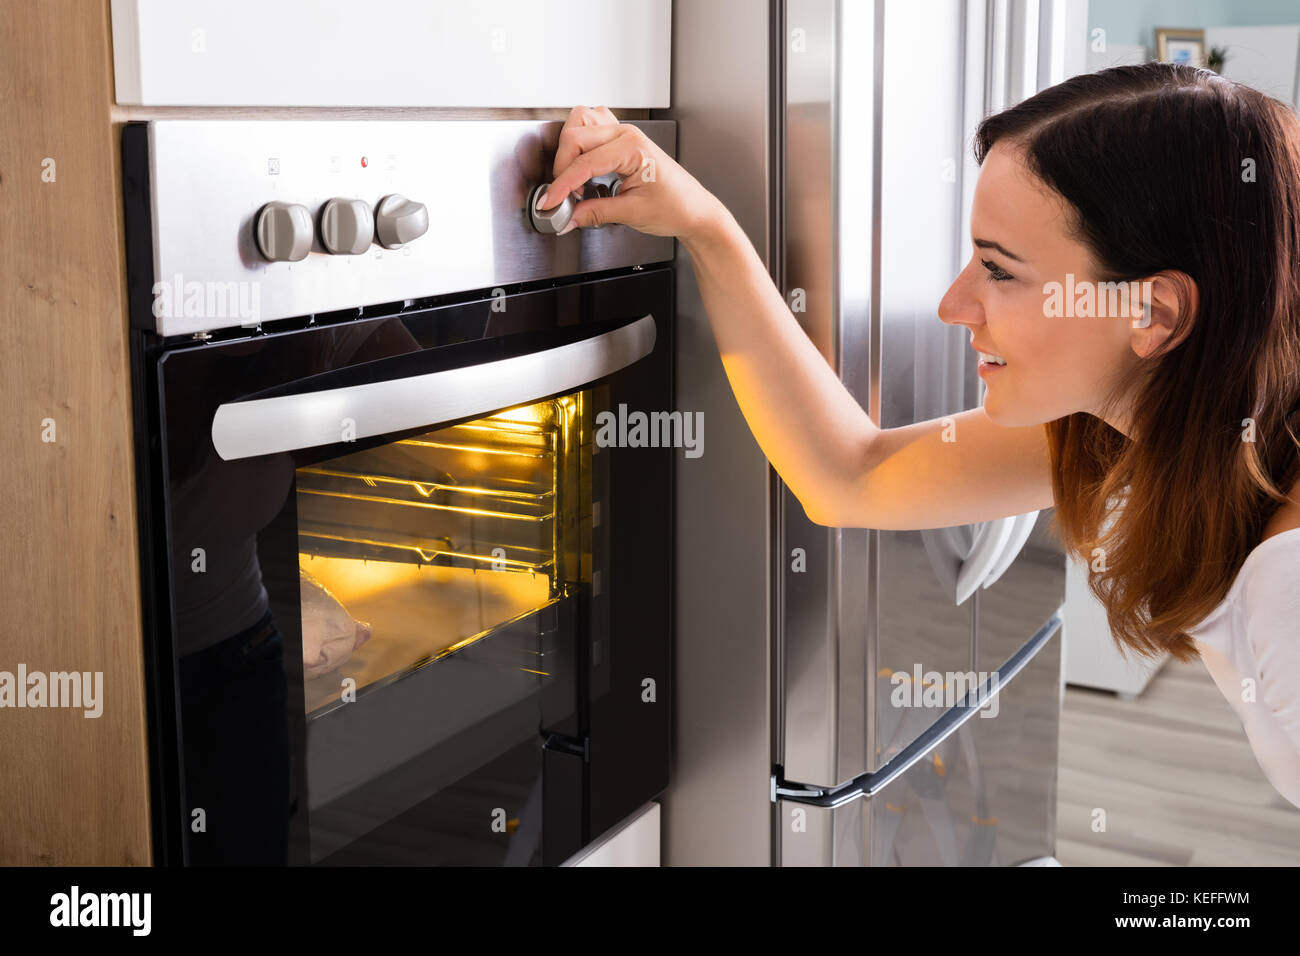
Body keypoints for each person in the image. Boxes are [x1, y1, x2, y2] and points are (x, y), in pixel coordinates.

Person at [538, 63, 1300, 809]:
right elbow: (849, 475)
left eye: (1000, 271)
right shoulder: (1147, 419)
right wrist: (703, 224)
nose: (953, 304)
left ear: (1153, 315)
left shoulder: (1289, 583)